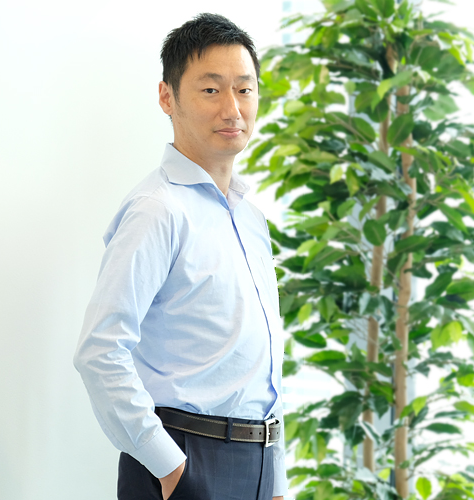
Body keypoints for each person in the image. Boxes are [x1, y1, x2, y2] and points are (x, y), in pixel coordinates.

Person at [73, 13, 286, 500]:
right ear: (167, 97)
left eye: (245, 89)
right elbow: (99, 351)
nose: (232, 108)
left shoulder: (251, 219)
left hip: (257, 462)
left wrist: (276, 479)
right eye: (211, 90)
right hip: (187, 460)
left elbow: (263, 365)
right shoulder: (157, 210)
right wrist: (171, 469)